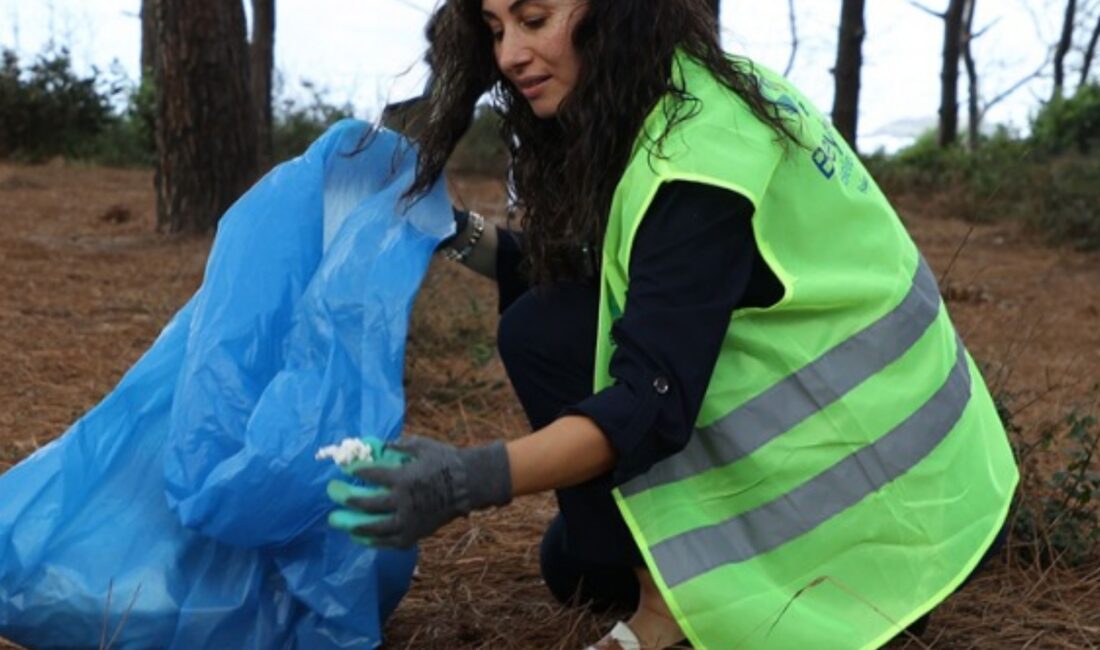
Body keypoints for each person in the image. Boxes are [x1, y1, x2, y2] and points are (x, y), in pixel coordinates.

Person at [328, 1, 1019, 648]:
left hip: (882, 503)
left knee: (541, 336)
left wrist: (467, 478)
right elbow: (618, 275)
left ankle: (665, 610)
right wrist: (453, 232)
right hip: (923, 464)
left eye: (535, 19)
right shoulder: (691, 93)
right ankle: (655, 574)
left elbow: (647, 402)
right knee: (573, 563)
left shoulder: (698, 159)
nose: (510, 53)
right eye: (496, 27)